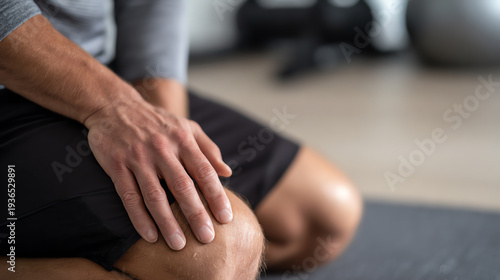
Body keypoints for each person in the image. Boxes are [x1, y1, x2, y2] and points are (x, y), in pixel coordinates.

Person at [0, 1, 362, 279]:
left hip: (96, 72)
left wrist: (165, 147)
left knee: (323, 217)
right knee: (218, 251)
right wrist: (112, 104)